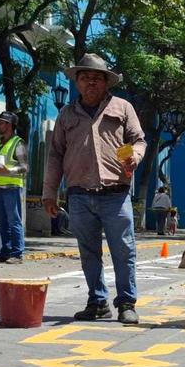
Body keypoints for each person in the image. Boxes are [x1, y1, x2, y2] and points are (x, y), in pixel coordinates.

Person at [43, 53, 145, 325]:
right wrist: (49, 193)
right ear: (77, 82)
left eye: (97, 78)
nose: (91, 82)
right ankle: (97, 302)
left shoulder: (122, 107)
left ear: (106, 83)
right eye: (85, 77)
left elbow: (139, 140)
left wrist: (135, 155)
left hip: (115, 194)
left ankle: (126, 303)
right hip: (79, 195)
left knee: (123, 251)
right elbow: (55, 155)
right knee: (89, 252)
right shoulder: (66, 114)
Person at [0, 111, 28, 264]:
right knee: (2, 222)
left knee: (14, 221)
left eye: (1, 122)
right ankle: (5, 251)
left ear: (10, 125)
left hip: (12, 187)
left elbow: (25, 167)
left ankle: (17, 254)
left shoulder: (18, 143)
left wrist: (9, 171)